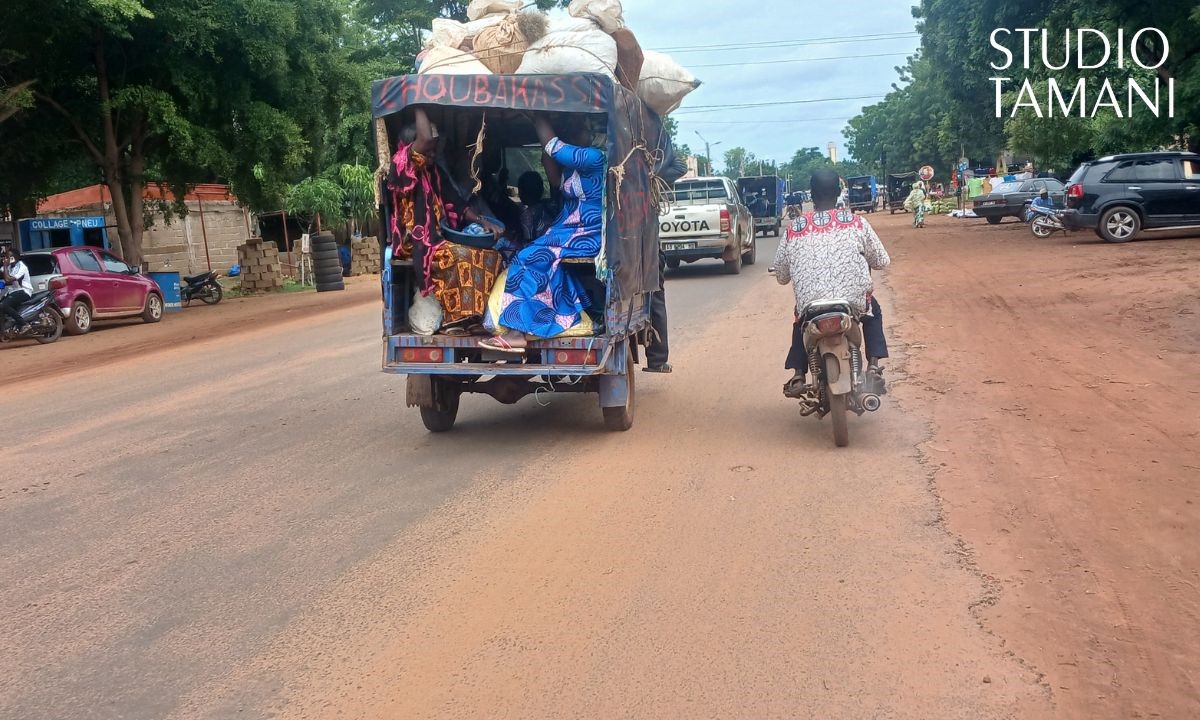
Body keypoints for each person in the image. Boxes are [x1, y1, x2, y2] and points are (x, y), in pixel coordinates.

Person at [481, 114, 605, 352]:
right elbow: (555, 179)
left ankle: (518, 332)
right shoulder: (574, 167)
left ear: (591, 133)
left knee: (527, 258)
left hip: (584, 233)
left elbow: (554, 148)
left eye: (577, 127)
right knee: (536, 256)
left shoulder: (594, 158)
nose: (571, 132)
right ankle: (566, 315)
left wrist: (536, 116)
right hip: (568, 231)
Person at [774, 169, 891, 398]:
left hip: (811, 305)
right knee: (872, 311)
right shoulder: (857, 223)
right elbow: (881, 261)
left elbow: (781, 276)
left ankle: (798, 373)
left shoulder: (794, 228)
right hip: (852, 303)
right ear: (838, 193)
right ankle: (874, 365)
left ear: (811, 194)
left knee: (800, 321)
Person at [387, 107, 504, 330]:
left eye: (434, 151)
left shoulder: (434, 173)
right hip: (415, 243)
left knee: (489, 255)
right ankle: (454, 319)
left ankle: (473, 318)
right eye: (429, 151)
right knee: (460, 255)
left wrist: (482, 221)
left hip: (438, 239)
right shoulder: (403, 166)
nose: (432, 154)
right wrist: (419, 102)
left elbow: (457, 205)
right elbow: (425, 138)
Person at [645, 151, 688, 374]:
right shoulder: (649, 175)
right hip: (646, 247)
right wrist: (652, 168)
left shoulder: (602, 166)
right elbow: (680, 165)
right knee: (655, 298)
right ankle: (657, 360)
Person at [1, 246, 33, 333]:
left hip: (24, 291)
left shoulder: (21, 267)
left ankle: (24, 324)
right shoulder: (9, 267)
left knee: (3, 305)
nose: (7, 259)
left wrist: (4, 265)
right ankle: (4, 330)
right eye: (6, 257)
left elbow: (8, 279)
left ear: (15, 258)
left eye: (9, 257)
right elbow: (3, 274)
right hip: (13, 291)